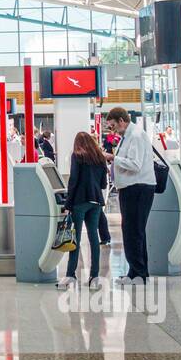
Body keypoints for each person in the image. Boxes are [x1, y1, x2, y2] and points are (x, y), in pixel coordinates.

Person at [104, 107, 154, 283]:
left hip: (137, 188)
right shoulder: (129, 136)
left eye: (113, 125)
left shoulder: (136, 136)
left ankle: (139, 273)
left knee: (133, 231)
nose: (113, 130)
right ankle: (136, 272)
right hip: (131, 188)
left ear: (121, 121)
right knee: (133, 230)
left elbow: (135, 164)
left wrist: (112, 158)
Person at [63, 132, 109, 287]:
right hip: (95, 201)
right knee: (94, 238)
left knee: (75, 238)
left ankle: (70, 275)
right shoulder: (100, 158)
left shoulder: (77, 156)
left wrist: (68, 203)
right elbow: (103, 184)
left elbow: (73, 180)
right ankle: (94, 277)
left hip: (79, 201)